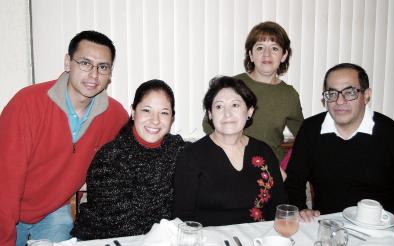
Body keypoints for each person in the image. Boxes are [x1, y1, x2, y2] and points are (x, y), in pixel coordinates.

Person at [0, 30, 128, 246]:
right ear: (68, 62)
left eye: (103, 67)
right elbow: (5, 182)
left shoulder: (114, 115)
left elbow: (137, 150)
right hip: (7, 210)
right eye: (85, 63)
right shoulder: (27, 104)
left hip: (53, 210)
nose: (94, 75)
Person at [284, 63, 394, 232]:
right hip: (327, 226)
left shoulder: (391, 133)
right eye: (332, 93)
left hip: (383, 229)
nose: (339, 101)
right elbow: (294, 180)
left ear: (366, 95)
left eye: (349, 92)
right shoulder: (311, 129)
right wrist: (301, 209)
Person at [71, 79, 187, 240]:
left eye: (164, 112)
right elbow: (121, 225)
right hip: (105, 239)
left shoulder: (177, 149)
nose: (155, 120)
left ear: (172, 118)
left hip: (159, 238)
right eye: (147, 110)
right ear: (133, 112)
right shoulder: (111, 157)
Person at [174, 76, 287, 226]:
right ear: (210, 114)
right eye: (219, 107)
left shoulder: (263, 151)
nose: (227, 114)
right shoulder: (191, 156)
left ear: (249, 111)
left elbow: (279, 206)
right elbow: (182, 217)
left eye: (235, 105)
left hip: (258, 237)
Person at [202, 21, 303, 162]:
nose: (266, 54)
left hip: (270, 167)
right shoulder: (232, 86)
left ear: (284, 55)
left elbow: (303, 136)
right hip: (231, 163)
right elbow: (208, 124)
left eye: (274, 48)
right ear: (251, 54)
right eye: (260, 48)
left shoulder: (289, 95)